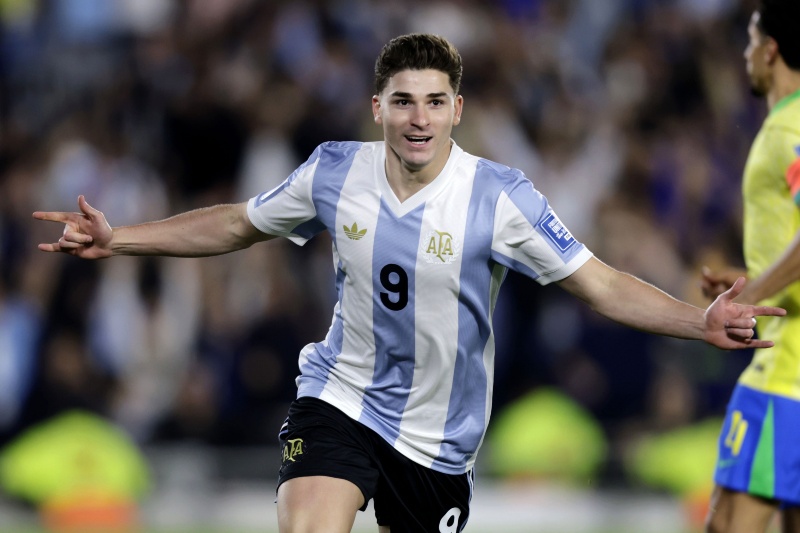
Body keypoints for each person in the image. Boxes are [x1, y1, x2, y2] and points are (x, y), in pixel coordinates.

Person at [34, 33, 785, 533]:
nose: (418, 119)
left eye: (433, 101)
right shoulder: (334, 171)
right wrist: (120, 237)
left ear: (457, 109)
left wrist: (698, 321)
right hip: (341, 397)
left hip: (439, 440)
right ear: (378, 109)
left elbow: (601, 284)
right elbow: (238, 223)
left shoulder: (501, 197)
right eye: (402, 101)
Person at [700, 1, 800, 532]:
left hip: (785, 372)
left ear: (771, 50)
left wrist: (754, 291)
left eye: (751, 41)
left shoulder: (789, 130)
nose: (745, 54)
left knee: (727, 526)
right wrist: (747, 276)